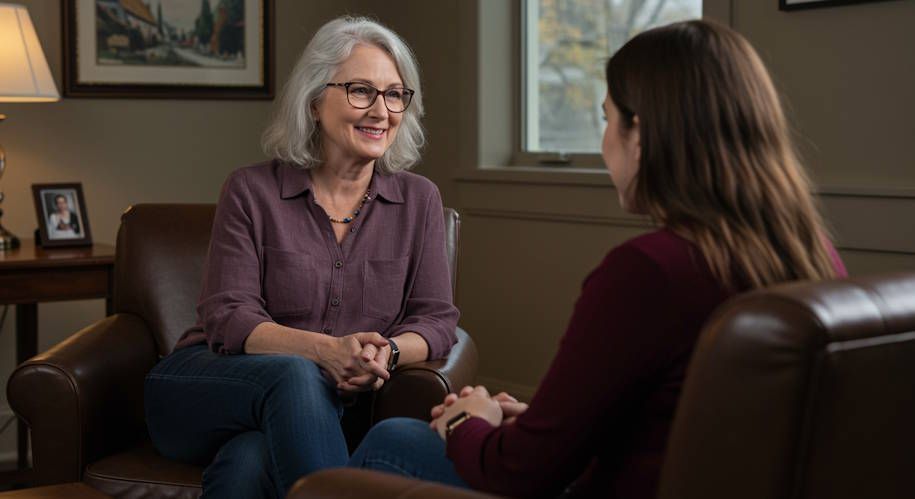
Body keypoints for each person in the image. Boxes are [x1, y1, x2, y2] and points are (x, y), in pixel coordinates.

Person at [348, 19, 847, 498]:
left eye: (608, 119)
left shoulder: (649, 272)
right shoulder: (815, 258)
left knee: (393, 439)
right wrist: (539, 422)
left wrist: (466, 421)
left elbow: (518, 472)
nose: (605, 141)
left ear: (642, 135)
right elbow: (679, 423)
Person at [143, 16, 459, 499]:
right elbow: (229, 315)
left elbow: (435, 319)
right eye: (361, 91)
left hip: (319, 413)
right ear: (314, 101)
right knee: (295, 373)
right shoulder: (251, 191)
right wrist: (325, 351)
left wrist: (386, 353)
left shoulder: (419, 200)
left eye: (395, 95)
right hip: (208, 385)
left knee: (249, 462)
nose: (381, 111)